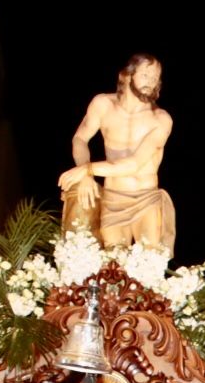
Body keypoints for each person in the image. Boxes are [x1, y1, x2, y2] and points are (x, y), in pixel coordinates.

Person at [60, 53, 176, 253]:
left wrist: (88, 169)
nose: (151, 81)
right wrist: (84, 172)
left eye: (156, 77)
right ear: (127, 76)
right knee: (114, 263)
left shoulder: (160, 119)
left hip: (146, 198)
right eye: (146, 74)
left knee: (148, 263)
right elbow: (80, 139)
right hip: (113, 198)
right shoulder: (103, 105)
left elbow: (134, 164)